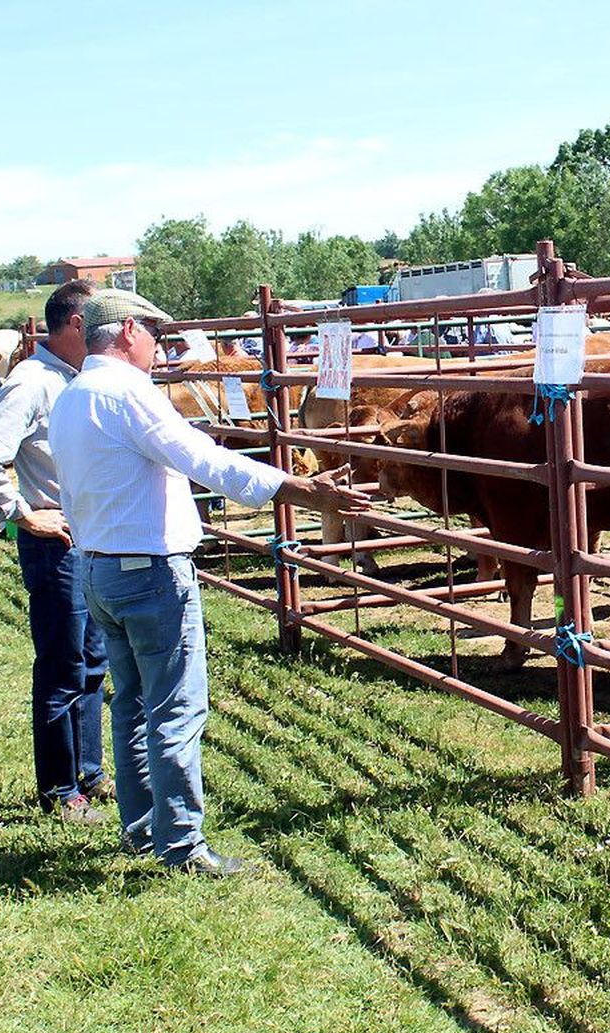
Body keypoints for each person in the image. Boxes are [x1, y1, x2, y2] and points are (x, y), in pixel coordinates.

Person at [49, 289, 374, 875]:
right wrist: (303, 489)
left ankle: (144, 827)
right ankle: (181, 843)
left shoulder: (72, 395)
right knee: (175, 705)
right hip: (148, 569)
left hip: (99, 565)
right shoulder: (127, 394)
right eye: (154, 334)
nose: (157, 346)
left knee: (132, 702)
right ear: (128, 330)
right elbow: (204, 459)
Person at [0, 281, 113, 824]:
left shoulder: (70, 379)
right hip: (56, 543)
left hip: (85, 539)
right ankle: (59, 788)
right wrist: (23, 513)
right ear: (76, 325)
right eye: (98, 321)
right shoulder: (32, 382)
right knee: (62, 664)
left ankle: (88, 772)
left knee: (91, 659)